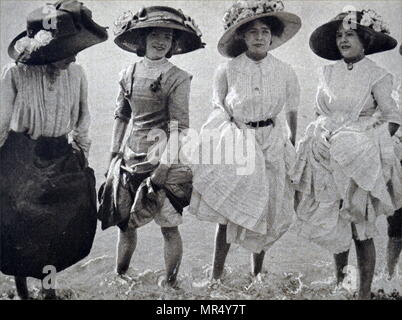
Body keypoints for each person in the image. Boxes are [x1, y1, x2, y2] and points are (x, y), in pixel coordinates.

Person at [0, 0, 108, 299]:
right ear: (46, 51)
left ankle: (48, 291)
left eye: (74, 49)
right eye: (65, 51)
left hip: (60, 152)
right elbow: (1, 121)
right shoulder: (16, 74)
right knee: (19, 224)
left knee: (56, 226)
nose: (72, 57)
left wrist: (82, 151)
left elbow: (84, 119)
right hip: (21, 154)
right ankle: (21, 290)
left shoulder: (77, 74)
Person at [291, 9, 402, 299]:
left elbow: (392, 117)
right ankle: (341, 284)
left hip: (360, 155)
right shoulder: (327, 72)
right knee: (335, 220)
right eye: (339, 35)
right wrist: (320, 133)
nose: (343, 40)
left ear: (364, 39)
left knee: (360, 225)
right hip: (328, 151)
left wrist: (371, 145)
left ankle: (364, 293)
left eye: (349, 34)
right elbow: (319, 111)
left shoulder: (378, 74)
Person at [189, 0, 301, 281]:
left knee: (265, 208)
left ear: (272, 36)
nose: (259, 37)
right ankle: (216, 276)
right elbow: (219, 110)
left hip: (272, 141)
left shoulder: (285, 70)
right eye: (252, 31)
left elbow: (292, 112)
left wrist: (291, 147)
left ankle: (257, 275)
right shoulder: (227, 70)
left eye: (265, 31)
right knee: (229, 210)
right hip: (238, 143)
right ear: (241, 35)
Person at [102, 6, 204, 288]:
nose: (161, 41)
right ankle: (120, 277)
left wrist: (164, 167)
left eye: (168, 37)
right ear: (143, 39)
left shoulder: (178, 77)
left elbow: (179, 127)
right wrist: (113, 155)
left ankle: (171, 285)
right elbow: (121, 115)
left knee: (169, 228)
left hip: (166, 159)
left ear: (173, 44)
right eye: (155, 35)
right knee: (124, 224)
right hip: (130, 158)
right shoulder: (127, 73)